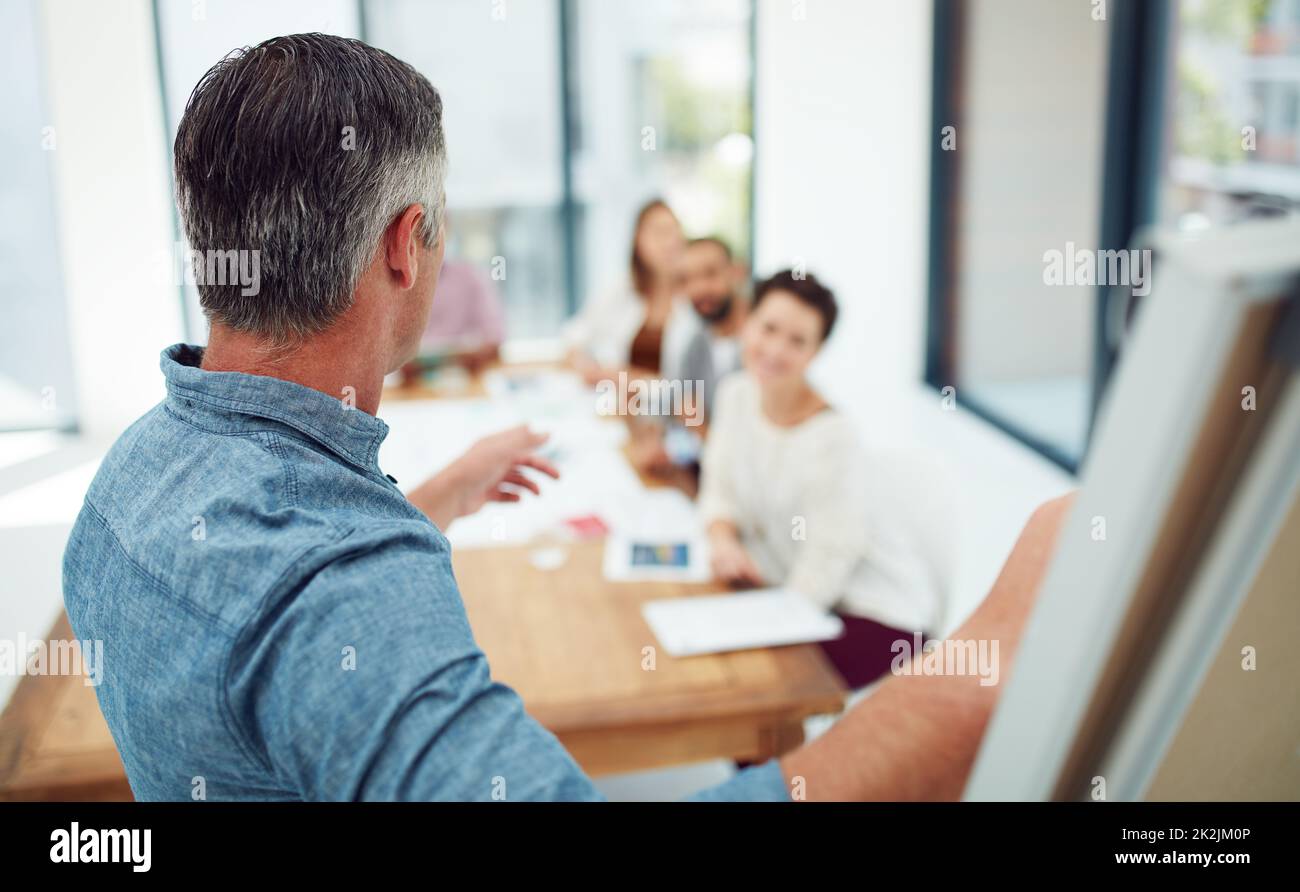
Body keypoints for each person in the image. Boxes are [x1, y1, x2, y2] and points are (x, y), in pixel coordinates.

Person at [63, 33, 1072, 802]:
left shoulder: (128, 478)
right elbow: (311, 606)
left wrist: (431, 503)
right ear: (407, 247)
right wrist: (980, 678)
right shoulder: (344, 596)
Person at [699, 269, 939, 689]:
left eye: (797, 341)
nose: (774, 349)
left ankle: (769, 757)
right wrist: (723, 539)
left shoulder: (834, 437)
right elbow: (719, 490)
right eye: (768, 328)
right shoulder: (736, 394)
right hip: (794, 592)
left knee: (752, 683)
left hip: (873, 615)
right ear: (746, 322)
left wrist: (767, 623)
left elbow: (828, 562)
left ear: (816, 351)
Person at [629, 236, 747, 477]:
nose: (698, 289)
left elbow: (745, 449)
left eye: (710, 274)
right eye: (687, 280)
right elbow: (670, 399)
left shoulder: (762, 347)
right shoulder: (697, 338)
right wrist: (653, 435)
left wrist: (698, 428)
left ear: (737, 272)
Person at [564, 199, 698, 384]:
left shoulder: (695, 297)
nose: (671, 241)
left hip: (669, 410)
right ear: (638, 241)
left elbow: (688, 385)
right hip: (621, 408)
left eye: (675, 231)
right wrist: (587, 367)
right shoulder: (622, 290)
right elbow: (575, 336)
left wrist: (620, 376)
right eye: (660, 233)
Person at [407, 256, 505, 375]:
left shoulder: (469, 277)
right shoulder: (396, 281)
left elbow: (494, 338)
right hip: (407, 383)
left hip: (464, 381)